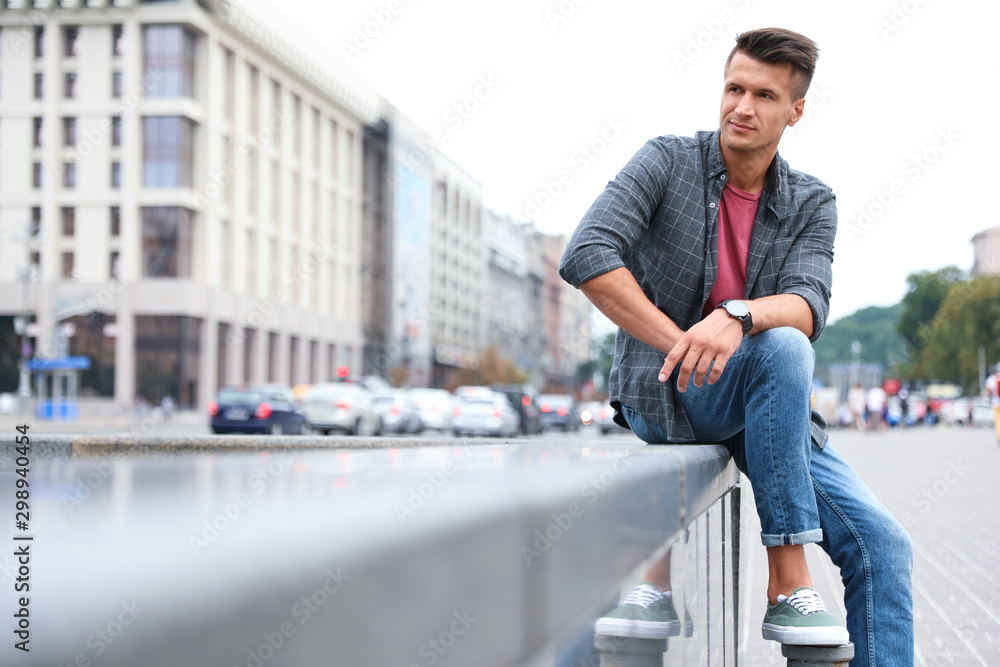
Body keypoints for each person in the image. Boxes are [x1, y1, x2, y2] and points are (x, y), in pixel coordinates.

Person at [559, 28, 913, 664]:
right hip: (667, 396)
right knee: (783, 350)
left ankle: (797, 585)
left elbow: (810, 305)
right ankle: (789, 576)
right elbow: (587, 253)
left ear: (795, 111)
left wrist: (737, 315)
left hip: (766, 412)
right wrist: (686, 349)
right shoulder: (666, 161)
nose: (742, 107)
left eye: (764, 95)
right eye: (734, 88)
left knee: (883, 544)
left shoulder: (811, 200)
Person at [986, 363, 1000, 443]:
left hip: (996, 403)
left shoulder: (992, 379)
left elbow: (988, 392)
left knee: (998, 420)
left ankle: (999, 437)